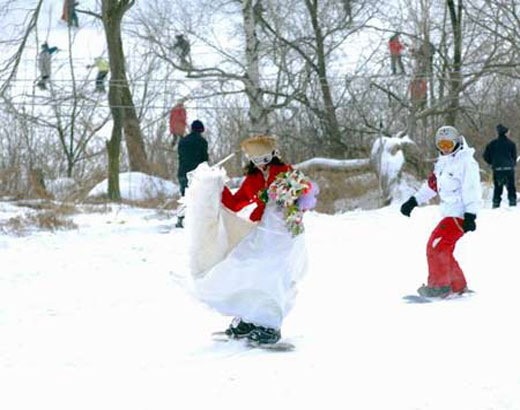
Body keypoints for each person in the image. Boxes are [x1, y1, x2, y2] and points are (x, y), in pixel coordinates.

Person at [189, 135, 315, 344]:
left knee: (273, 272)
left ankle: (269, 322)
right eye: (256, 160)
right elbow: (237, 203)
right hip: (264, 231)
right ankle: (249, 315)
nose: (260, 164)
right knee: (242, 263)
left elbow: (305, 195)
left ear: (273, 156)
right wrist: (216, 187)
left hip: (285, 233)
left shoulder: (286, 174)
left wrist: (291, 202)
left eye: (264, 158)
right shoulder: (254, 179)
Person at [400, 125, 481, 298]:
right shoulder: (443, 163)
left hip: (461, 214)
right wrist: (413, 201)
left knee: (436, 246)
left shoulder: (466, 162)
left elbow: (472, 189)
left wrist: (471, 215)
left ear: (457, 142)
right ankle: (457, 285)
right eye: (441, 145)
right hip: (449, 212)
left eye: (448, 145)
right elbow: (432, 186)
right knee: (443, 247)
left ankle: (439, 286)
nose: (445, 149)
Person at [176, 120, 208, 228]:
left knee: (184, 196)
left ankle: (181, 219)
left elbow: (180, 156)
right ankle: (196, 220)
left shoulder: (183, 141)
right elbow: (205, 160)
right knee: (198, 196)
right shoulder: (202, 142)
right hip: (197, 174)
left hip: (183, 172)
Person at [483, 124, 517, 207]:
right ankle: (512, 202)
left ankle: (496, 203)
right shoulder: (511, 144)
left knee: (498, 187)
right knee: (511, 187)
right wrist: (512, 163)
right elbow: (514, 156)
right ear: (506, 133)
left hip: (497, 168)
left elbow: (485, 156)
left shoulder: (492, 144)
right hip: (509, 168)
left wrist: (492, 162)